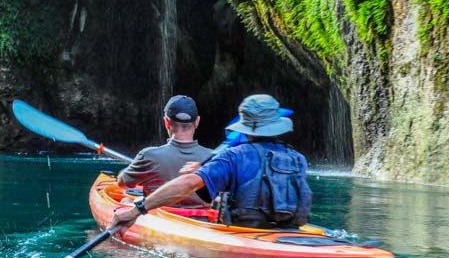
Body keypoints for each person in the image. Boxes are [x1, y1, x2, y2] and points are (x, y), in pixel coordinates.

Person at [108, 94, 313, 231]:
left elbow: (188, 184)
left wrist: (137, 210)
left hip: (244, 234)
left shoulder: (232, 156)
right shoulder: (298, 158)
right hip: (288, 233)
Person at [117, 95, 213, 207]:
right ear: (197, 122)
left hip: (158, 219)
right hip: (201, 222)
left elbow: (122, 183)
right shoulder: (214, 158)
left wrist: (130, 171)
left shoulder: (149, 155)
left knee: (126, 201)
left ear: (166, 122)